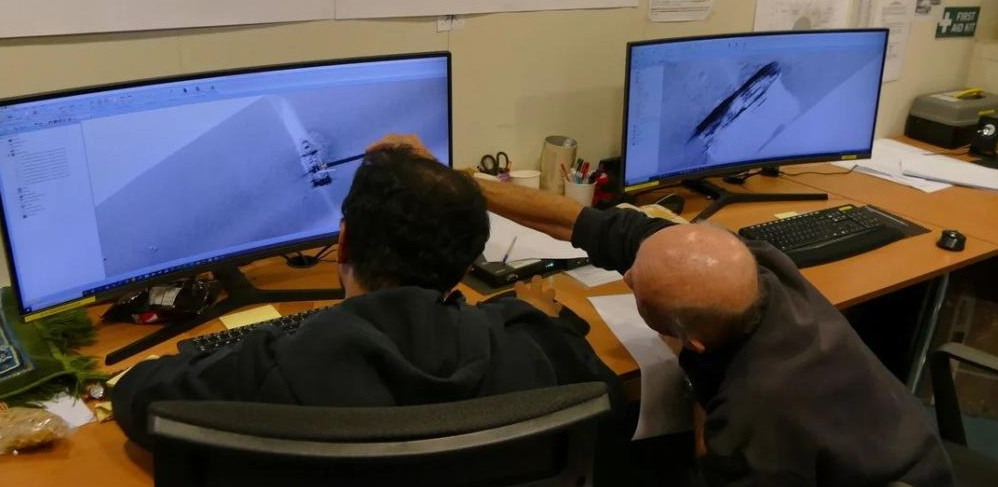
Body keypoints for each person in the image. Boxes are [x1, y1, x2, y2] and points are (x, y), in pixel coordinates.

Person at [371, 135, 955, 486]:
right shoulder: (759, 265)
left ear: (691, 342)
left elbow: (709, 462)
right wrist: (449, 179)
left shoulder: (750, 424)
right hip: (889, 442)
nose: (623, 273)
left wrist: (697, 384)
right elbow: (573, 221)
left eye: (633, 288)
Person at [112, 146, 624, 463]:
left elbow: (138, 399)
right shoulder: (531, 344)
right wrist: (544, 318)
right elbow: (610, 408)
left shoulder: (277, 361)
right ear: (469, 261)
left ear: (345, 242)